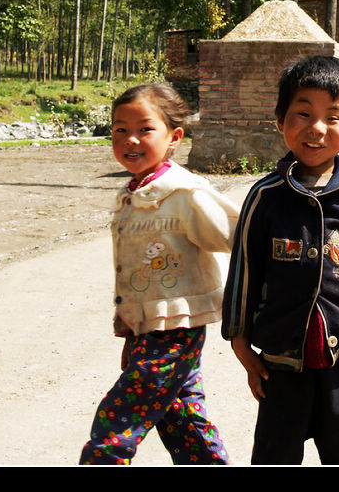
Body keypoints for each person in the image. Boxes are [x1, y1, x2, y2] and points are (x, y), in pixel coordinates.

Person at [222, 55, 339, 465]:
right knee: (275, 455)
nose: (317, 128)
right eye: (303, 113)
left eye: (333, 116)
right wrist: (240, 339)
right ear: (280, 120)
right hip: (279, 364)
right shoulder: (264, 198)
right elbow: (244, 271)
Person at [79, 83, 239, 465]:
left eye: (145, 129)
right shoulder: (134, 192)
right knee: (183, 419)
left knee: (115, 424)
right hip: (149, 330)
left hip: (176, 331)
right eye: (120, 129)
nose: (130, 139)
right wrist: (131, 329)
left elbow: (240, 234)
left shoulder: (185, 193)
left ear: (174, 138)